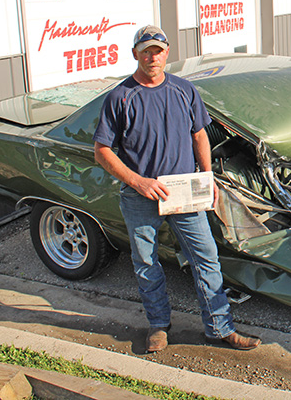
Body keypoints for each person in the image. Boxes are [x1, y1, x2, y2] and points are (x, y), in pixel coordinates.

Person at [92, 24, 260, 353]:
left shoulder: (184, 90)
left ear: (166, 53)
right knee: (146, 262)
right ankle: (158, 326)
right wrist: (137, 181)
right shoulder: (120, 97)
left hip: (184, 192)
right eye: (145, 51)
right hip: (140, 196)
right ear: (135, 54)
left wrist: (208, 178)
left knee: (207, 258)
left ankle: (219, 328)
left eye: (157, 50)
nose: (152, 57)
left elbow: (200, 135)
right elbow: (102, 150)